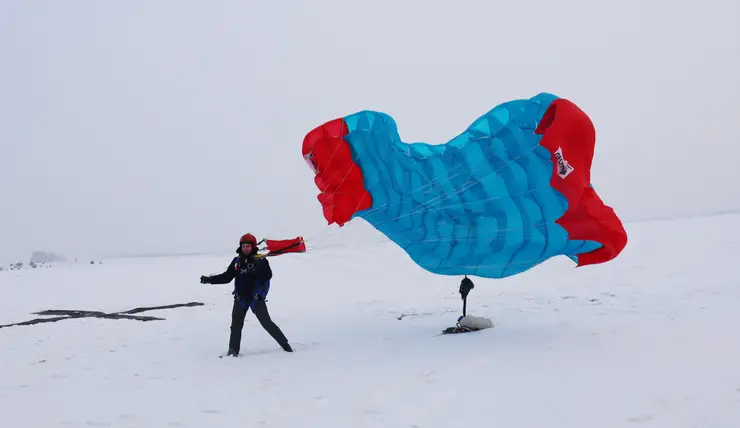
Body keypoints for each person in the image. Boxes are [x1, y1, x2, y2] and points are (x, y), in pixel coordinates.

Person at [200, 233, 293, 356]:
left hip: (256, 298)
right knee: (235, 326)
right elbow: (227, 277)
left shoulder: (261, 260)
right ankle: (233, 352)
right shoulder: (237, 262)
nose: (245, 249)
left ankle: (285, 345)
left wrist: (259, 265)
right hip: (240, 299)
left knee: (267, 323)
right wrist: (209, 280)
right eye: (243, 246)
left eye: (248, 246)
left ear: (253, 247)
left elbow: (268, 276)